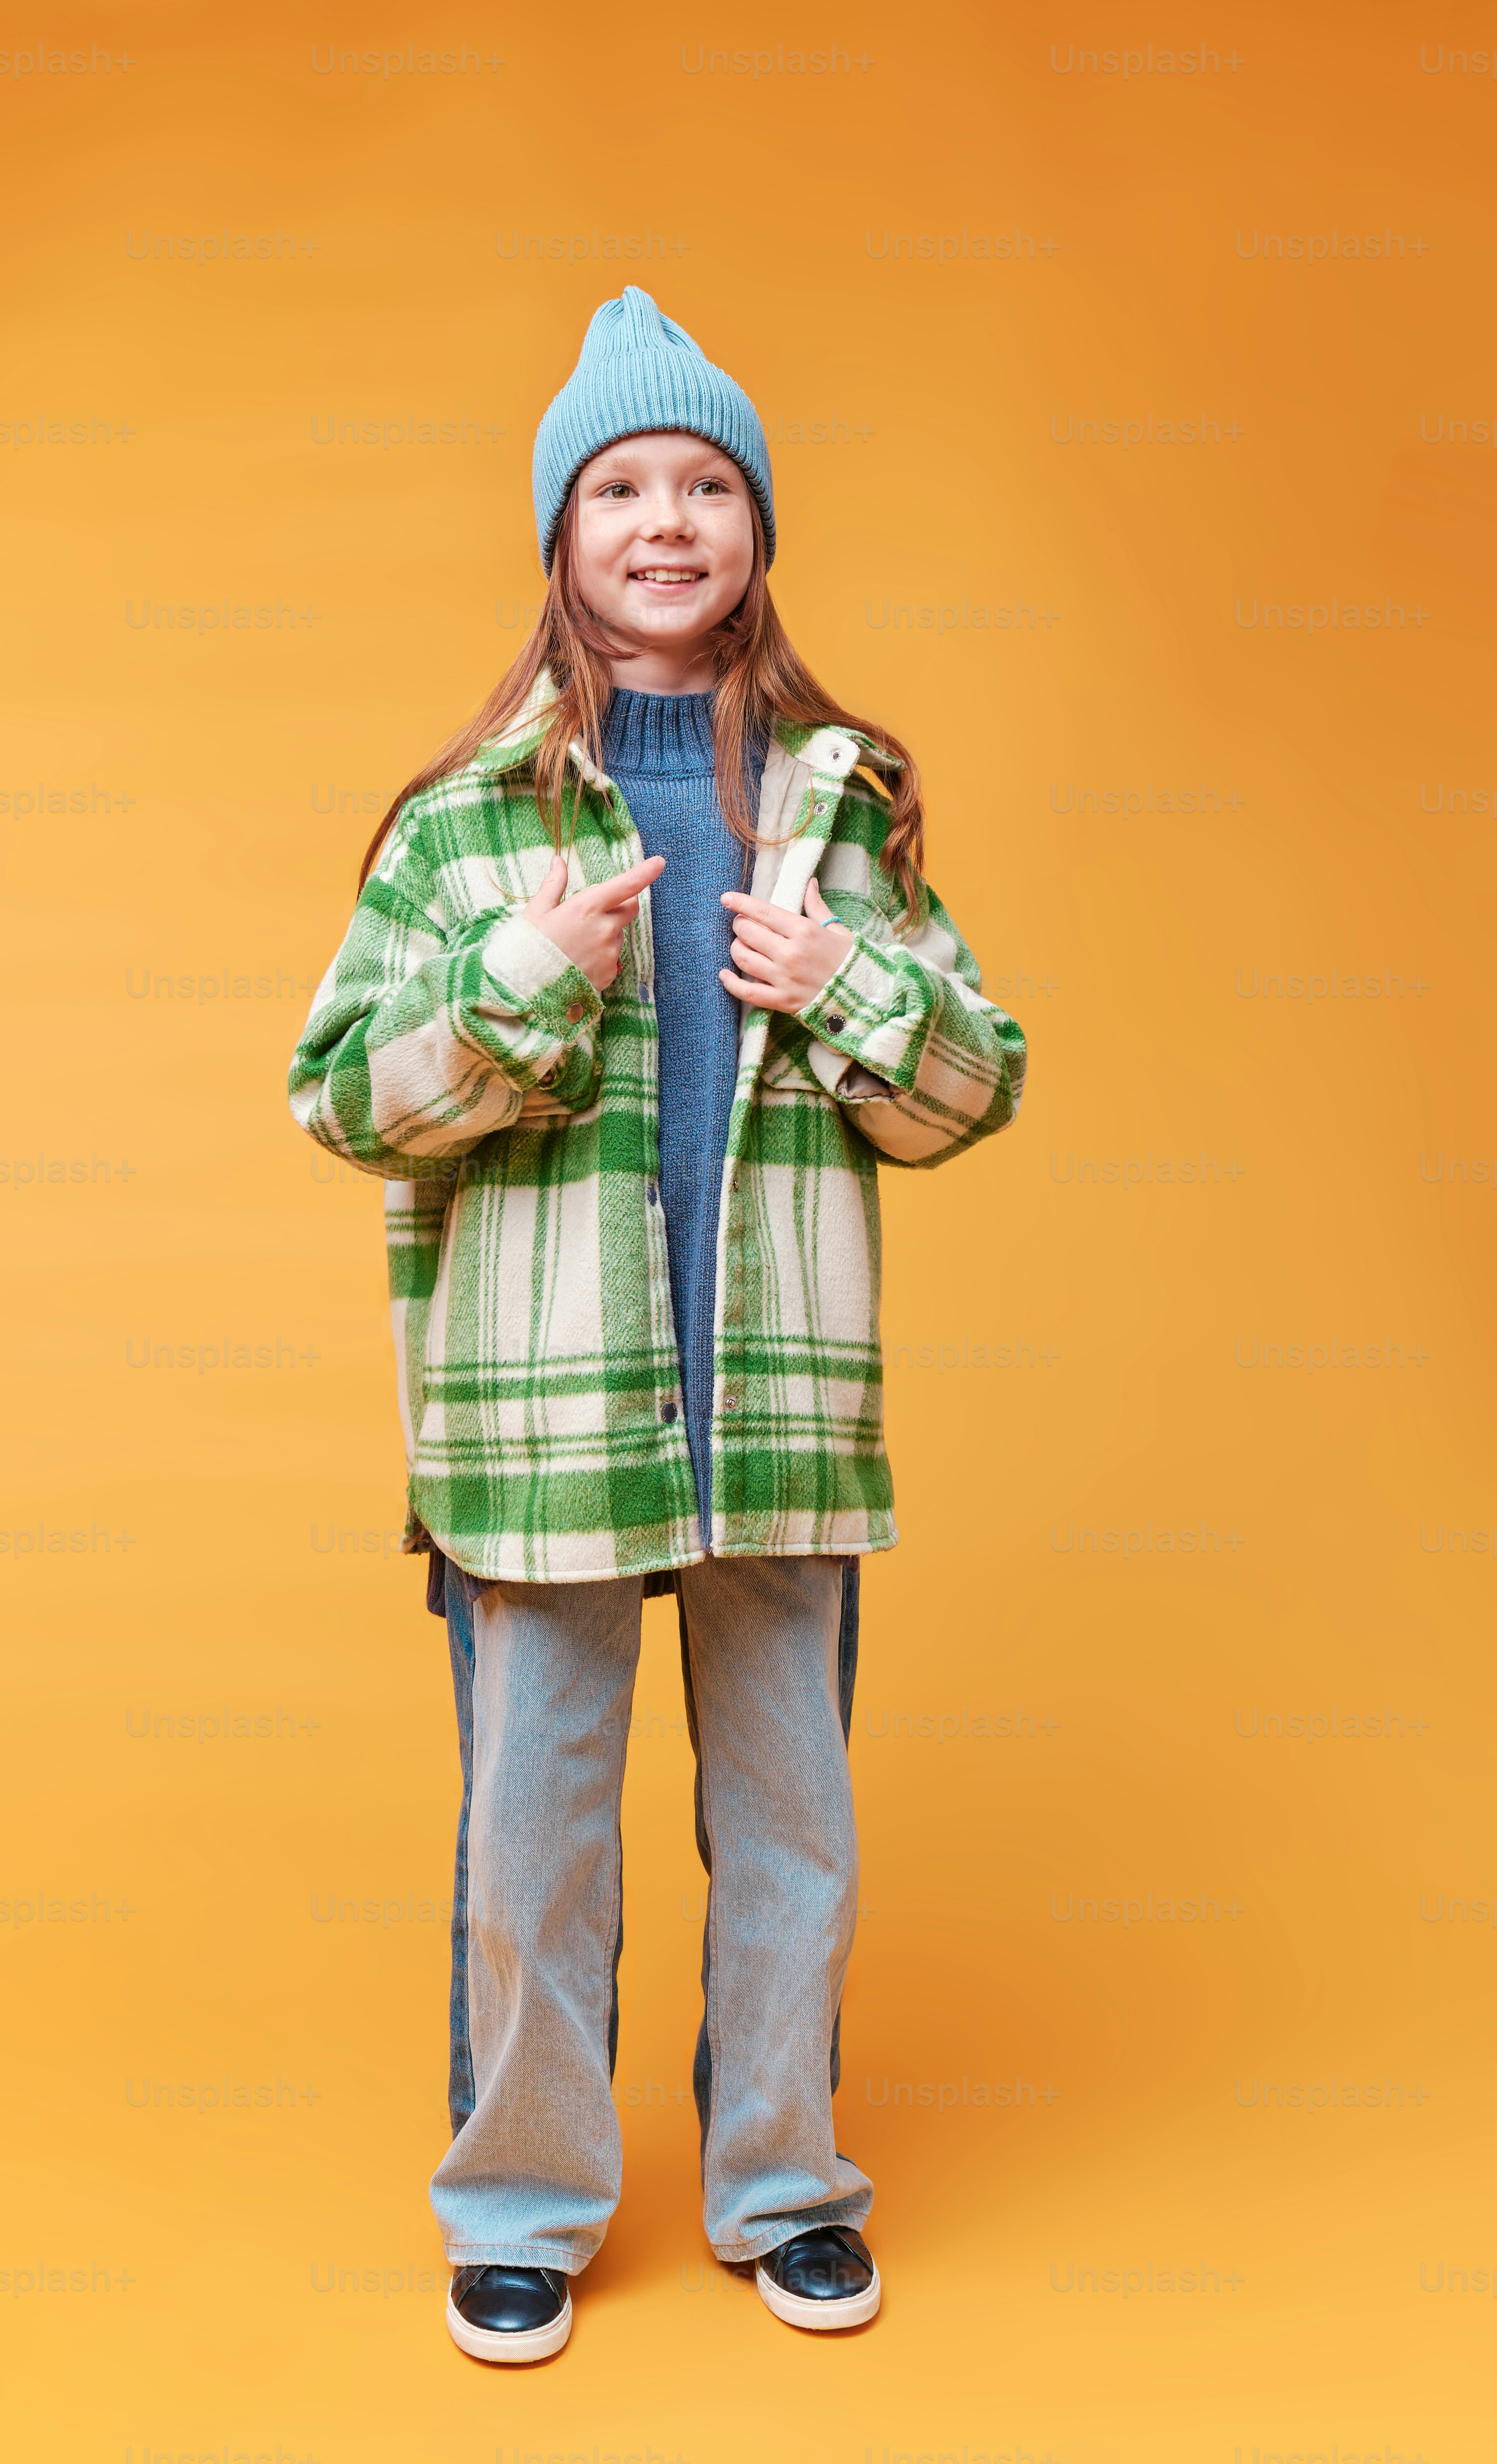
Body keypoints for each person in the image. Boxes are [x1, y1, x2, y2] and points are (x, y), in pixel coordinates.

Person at [288, 287, 1027, 2363]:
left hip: (777, 1409)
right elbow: (342, 1097)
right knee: (535, 1843)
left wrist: (844, 983)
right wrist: (519, 974)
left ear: (757, 529)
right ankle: (522, 2207)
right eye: (621, 487)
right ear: (564, 535)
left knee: (793, 1830)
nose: (667, 521)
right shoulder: (465, 823)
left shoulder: (839, 805)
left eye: (707, 484)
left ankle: (786, 2189)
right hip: (541, 1426)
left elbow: (972, 1090)